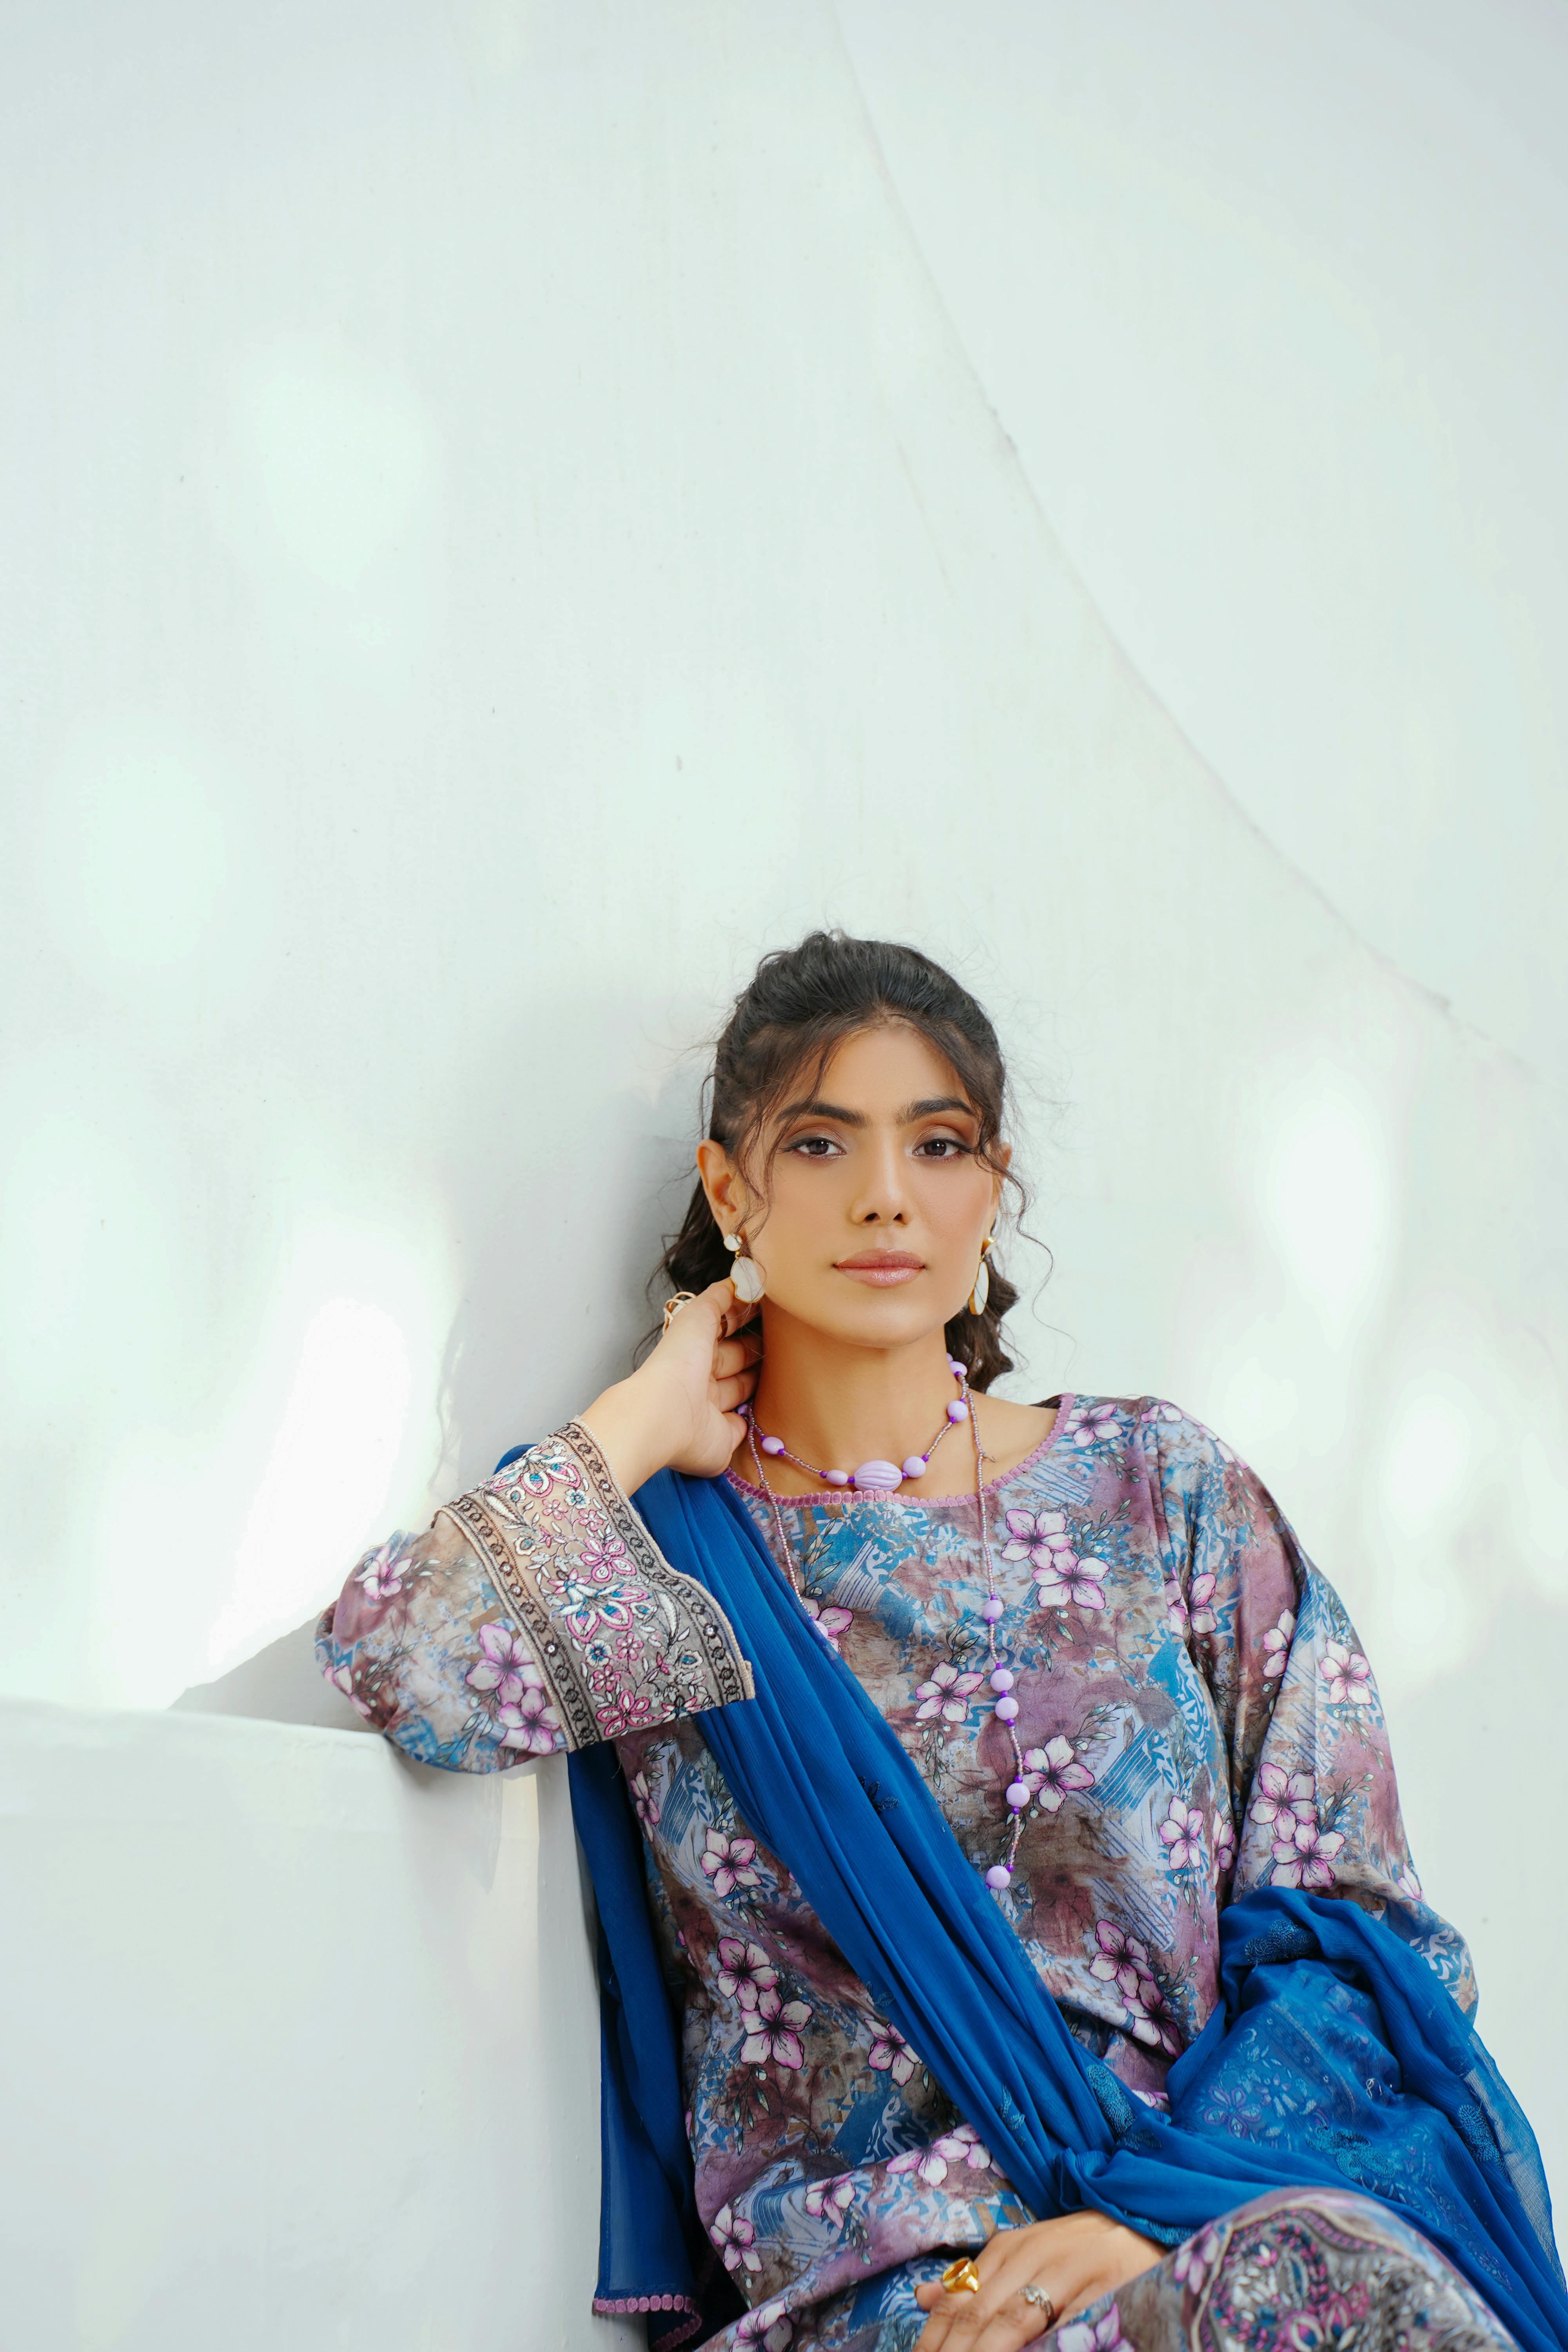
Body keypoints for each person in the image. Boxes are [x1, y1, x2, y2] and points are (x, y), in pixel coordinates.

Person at [319, 933, 1562, 2352]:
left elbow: (1356, 1932)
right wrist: (643, 1418)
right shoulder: (658, 1559)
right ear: (734, 1190)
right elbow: (399, 1665)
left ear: (994, 1190)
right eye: (822, 1145)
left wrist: (1150, 2216)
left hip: (1218, 2240)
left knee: (1314, 2297)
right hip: (888, 2305)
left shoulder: (1166, 1497)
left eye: (940, 1143)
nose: (887, 1197)